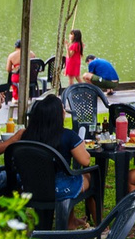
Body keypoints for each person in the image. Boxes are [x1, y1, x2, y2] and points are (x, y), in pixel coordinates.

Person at [17, 93, 96, 224]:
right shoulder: (67, 135)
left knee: (68, 174)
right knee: (89, 176)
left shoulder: (27, 135)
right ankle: (100, 225)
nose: (65, 112)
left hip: (29, 186)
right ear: (58, 115)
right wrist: (81, 145)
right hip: (59, 188)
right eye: (63, 109)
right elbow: (85, 161)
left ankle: (71, 221)